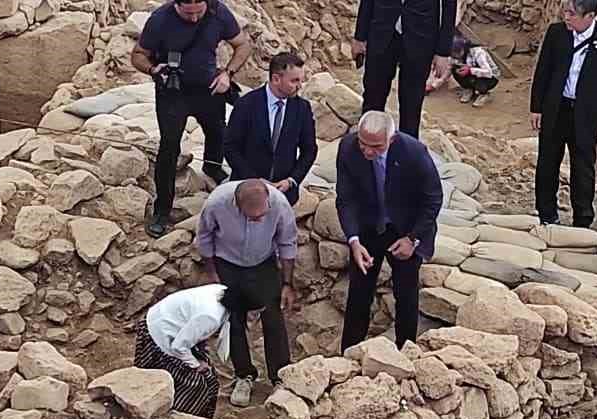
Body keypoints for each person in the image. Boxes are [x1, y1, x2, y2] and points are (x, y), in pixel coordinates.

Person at [132, 0, 253, 238]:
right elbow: (138, 55)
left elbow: (243, 45)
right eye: (189, 14)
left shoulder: (218, 11)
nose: (195, 18)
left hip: (209, 87)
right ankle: (162, 211)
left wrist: (227, 74)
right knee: (169, 148)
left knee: (218, 132)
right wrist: (153, 70)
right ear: (177, 5)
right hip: (172, 93)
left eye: (199, 12)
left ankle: (212, 167)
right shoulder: (160, 19)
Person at [336, 111, 444, 352]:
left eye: (376, 146)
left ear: (391, 140)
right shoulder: (348, 148)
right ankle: (349, 353)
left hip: (406, 228)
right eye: (363, 144)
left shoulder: (413, 152)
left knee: (406, 294)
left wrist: (413, 239)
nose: (368, 151)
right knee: (359, 292)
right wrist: (353, 240)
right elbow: (345, 198)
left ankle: (406, 352)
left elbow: (433, 199)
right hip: (369, 227)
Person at [195, 179, 298, 406]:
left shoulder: (279, 204)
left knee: (273, 316)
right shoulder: (217, 203)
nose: (260, 220)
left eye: (263, 215)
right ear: (237, 205)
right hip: (228, 263)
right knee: (233, 320)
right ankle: (244, 375)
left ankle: (280, 377)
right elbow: (204, 236)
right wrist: (212, 273)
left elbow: (287, 242)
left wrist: (287, 283)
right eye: (253, 217)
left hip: (263, 263)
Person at [529, 0, 597, 228]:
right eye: (566, 12)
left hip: (586, 115)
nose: (567, 17)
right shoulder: (557, 34)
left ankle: (582, 219)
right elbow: (543, 71)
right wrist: (536, 107)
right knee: (547, 163)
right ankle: (546, 215)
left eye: (572, 14)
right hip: (556, 109)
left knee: (582, 168)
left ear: (590, 16)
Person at [137, 283, 252, 418]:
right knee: (200, 383)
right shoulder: (211, 317)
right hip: (159, 336)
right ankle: (181, 416)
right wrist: (196, 365)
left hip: (164, 323)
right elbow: (178, 347)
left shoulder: (221, 291)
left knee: (207, 373)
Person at [224, 52, 319, 206]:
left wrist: (291, 180)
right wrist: (254, 180)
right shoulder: (246, 104)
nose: (300, 86)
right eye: (294, 80)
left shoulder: (302, 108)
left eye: (301, 80)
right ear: (276, 79)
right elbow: (230, 147)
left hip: (284, 194)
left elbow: (309, 150)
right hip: (247, 192)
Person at [353, 0, 458, 137]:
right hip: (381, 30)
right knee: (373, 95)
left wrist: (443, 52)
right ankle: (368, 143)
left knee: (411, 104)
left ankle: (407, 147)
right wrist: (359, 36)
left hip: (421, 37)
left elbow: (449, 8)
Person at [452, 39, 501, 107]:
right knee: (454, 69)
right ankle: (468, 89)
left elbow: (488, 72)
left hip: (491, 77)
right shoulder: (461, 55)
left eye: (457, 52)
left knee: (479, 79)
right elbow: (450, 65)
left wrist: (470, 70)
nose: (456, 55)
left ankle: (483, 94)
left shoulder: (479, 53)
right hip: (475, 72)